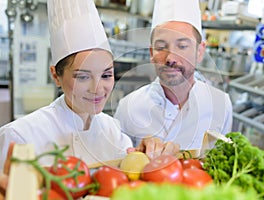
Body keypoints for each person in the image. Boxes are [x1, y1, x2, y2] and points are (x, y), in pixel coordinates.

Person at [0, 0, 179, 172]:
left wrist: (147, 158)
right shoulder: (19, 136)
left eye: (106, 75)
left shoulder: (113, 131)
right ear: (56, 75)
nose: (98, 89)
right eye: (83, 77)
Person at [114, 0, 233, 150]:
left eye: (182, 46)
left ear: (200, 51)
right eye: (161, 47)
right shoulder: (128, 107)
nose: (170, 58)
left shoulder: (220, 104)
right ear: (151, 53)